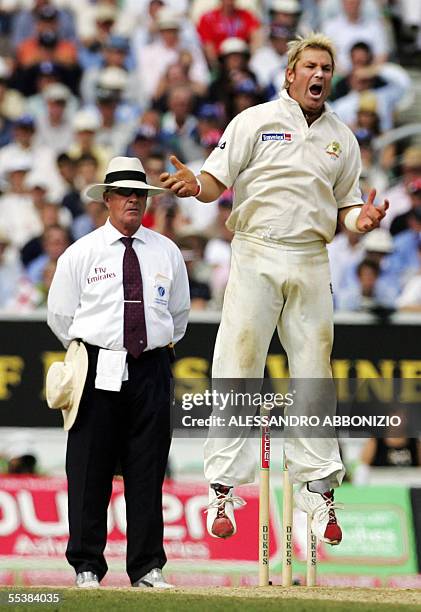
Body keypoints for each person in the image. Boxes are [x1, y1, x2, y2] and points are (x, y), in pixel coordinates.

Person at [160, 33, 388, 545]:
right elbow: (216, 181)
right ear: (290, 74)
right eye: (310, 66)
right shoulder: (255, 121)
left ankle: (319, 493)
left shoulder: (341, 137)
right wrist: (195, 185)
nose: (319, 74)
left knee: (313, 371)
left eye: (326, 68)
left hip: (311, 255)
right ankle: (222, 489)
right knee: (238, 364)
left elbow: (348, 207)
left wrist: (363, 218)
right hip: (256, 249)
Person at [47, 156, 190, 588]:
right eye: (125, 194)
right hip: (96, 365)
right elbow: (60, 316)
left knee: (148, 469)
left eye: (139, 194)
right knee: (89, 468)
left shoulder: (166, 250)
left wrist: (146, 351)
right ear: (106, 200)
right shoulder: (82, 252)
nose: (133, 200)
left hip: (151, 367)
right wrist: (93, 350)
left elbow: (178, 316)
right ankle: (87, 564)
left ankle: (147, 566)